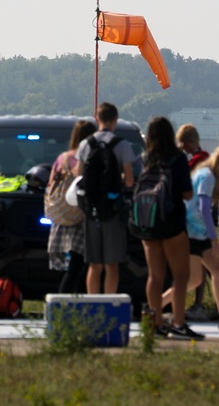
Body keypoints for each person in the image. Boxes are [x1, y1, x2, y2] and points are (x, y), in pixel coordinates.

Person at [163, 143, 219, 329]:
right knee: (193, 280)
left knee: (218, 271)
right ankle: (155, 306)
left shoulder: (206, 174)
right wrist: (214, 239)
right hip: (191, 232)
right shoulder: (207, 176)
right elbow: (204, 209)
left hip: (199, 232)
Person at [138, 117, 200, 340]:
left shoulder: (145, 159)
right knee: (180, 276)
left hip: (148, 221)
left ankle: (155, 323)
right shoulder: (178, 158)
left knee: (155, 275)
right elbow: (187, 193)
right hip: (172, 222)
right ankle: (179, 323)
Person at [75, 102, 137, 295]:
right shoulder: (122, 145)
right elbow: (129, 181)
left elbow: (79, 176)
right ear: (115, 120)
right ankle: (109, 302)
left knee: (94, 264)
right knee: (112, 264)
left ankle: (93, 302)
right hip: (112, 209)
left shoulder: (86, 144)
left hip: (91, 209)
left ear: (97, 119)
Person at [47, 120, 96, 294]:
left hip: (63, 217)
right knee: (78, 269)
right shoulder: (90, 157)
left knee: (74, 269)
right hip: (81, 218)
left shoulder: (63, 158)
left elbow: (50, 185)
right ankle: (64, 306)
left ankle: (71, 306)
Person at [177, 123, 211, 321]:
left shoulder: (198, 161)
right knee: (209, 263)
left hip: (195, 219)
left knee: (202, 262)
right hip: (197, 217)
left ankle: (198, 304)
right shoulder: (202, 158)